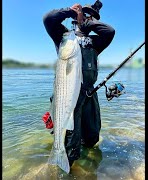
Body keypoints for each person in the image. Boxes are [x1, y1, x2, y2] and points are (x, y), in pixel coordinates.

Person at [43, 0, 115, 167]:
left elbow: (109, 31)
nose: (89, 18)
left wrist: (87, 23)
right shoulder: (64, 36)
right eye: (86, 14)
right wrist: (70, 11)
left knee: (91, 139)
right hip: (67, 93)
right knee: (70, 144)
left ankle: (88, 169)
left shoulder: (96, 42)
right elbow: (48, 19)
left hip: (89, 95)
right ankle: (63, 164)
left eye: (93, 17)